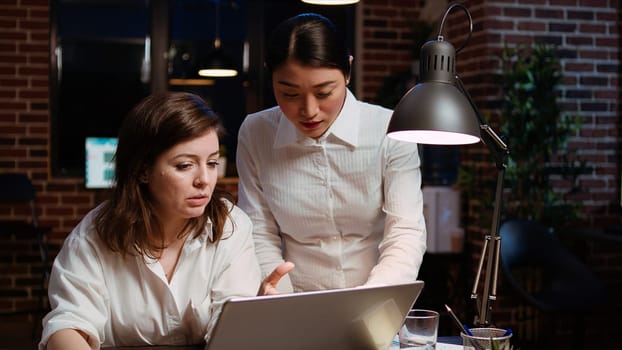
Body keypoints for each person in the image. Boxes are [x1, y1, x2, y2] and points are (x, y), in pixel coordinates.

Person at [40, 92, 293, 350]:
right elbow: (68, 325)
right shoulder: (93, 236)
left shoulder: (230, 226)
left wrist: (251, 319)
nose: (204, 180)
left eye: (212, 162)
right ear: (142, 170)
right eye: (185, 165)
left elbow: (230, 330)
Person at [236, 13, 427, 293]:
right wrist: (283, 303)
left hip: (375, 299)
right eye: (289, 94)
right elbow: (258, 231)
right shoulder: (256, 133)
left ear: (347, 72)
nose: (309, 110)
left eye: (324, 92)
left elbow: (405, 231)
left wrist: (371, 301)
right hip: (293, 301)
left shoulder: (391, 130)